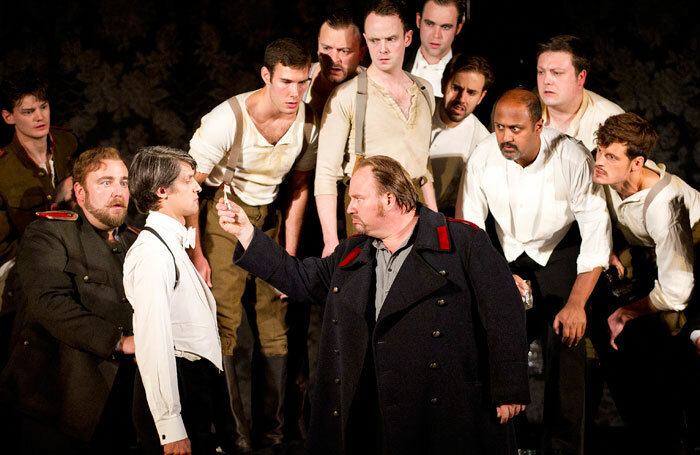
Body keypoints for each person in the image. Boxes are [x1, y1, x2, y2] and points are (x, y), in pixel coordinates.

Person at [217, 155, 529, 455]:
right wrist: (247, 233)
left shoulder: (462, 242)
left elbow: (504, 313)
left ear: (390, 199)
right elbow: (299, 278)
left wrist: (510, 388)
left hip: (441, 403)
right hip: (372, 405)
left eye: (358, 198)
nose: (349, 207)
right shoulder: (353, 251)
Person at [456, 89, 612, 455]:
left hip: (560, 253)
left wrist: (576, 304)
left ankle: (562, 447)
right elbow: (470, 229)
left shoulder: (572, 157)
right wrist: (495, 278)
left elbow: (595, 234)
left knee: (568, 337)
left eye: (516, 128)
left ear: (539, 125)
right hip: (502, 253)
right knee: (492, 336)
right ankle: (508, 441)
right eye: (499, 127)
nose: (505, 137)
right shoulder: (482, 156)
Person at [186, 37, 318, 451]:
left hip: (270, 220)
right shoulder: (227, 119)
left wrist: (289, 262)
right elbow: (188, 186)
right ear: (266, 76)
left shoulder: (309, 122)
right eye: (286, 82)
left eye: (303, 81)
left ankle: (273, 437)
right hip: (223, 214)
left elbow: (299, 189)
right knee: (225, 323)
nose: (295, 92)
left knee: (275, 324)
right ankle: (234, 436)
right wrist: (197, 253)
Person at [0, 147, 137, 454]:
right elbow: (50, 303)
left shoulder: (136, 240)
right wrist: (121, 341)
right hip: (59, 400)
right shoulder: (49, 232)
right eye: (105, 182)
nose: (118, 191)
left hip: (124, 399)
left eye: (124, 182)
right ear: (80, 191)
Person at [591, 112, 700, 453]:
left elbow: (678, 289)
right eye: (599, 151)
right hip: (656, 267)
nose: (599, 162)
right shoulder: (608, 178)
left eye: (610, 156)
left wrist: (626, 313)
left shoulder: (664, 204)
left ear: (637, 162)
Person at [315, 0, 438, 258]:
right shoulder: (346, 97)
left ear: (407, 38)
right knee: (371, 291)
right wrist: (330, 240)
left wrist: (436, 221)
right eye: (374, 40)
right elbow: (326, 173)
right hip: (369, 207)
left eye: (391, 39)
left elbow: (423, 164)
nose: (382, 49)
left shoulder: (424, 90)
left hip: (418, 208)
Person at [124, 146, 223, 455]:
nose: (197, 186)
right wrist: (170, 427)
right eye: (188, 179)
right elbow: (153, 342)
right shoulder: (152, 253)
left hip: (193, 386)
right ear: (162, 190)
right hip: (178, 389)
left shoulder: (172, 243)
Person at [0, 71, 78, 352]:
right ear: (9, 117)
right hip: (25, 259)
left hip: (76, 248)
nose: (39, 117)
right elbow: (5, 247)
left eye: (43, 107)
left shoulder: (67, 142)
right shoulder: (3, 168)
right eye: (28, 111)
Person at [536, 35, 624, 152]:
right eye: (541, 72)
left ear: (581, 77)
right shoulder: (521, 110)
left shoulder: (610, 119)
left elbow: (636, 167)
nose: (546, 80)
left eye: (556, 73)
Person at [430, 53, 492, 215]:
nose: (461, 99)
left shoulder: (482, 142)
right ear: (444, 84)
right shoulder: (419, 107)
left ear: (481, 97)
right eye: (456, 88)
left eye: (471, 93)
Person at [304, 9, 367, 118]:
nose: (333, 59)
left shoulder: (376, 88)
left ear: (361, 53)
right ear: (318, 47)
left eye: (344, 51)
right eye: (326, 48)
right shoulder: (297, 81)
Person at [404, 0, 465, 97]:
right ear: (418, 20)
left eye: (445, 27)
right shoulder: (397, 62)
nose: (436, 35)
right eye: (430, 24)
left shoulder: (470, 73)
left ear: (458, 28)